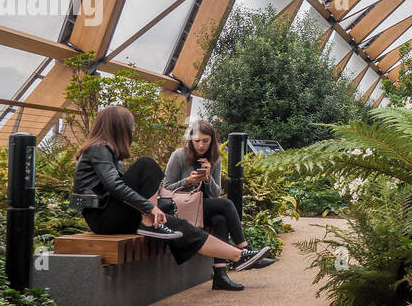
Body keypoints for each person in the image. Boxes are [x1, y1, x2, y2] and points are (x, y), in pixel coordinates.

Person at [71, 106, 269, 291]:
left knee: (179, 226)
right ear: (118, 127)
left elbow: (119, 189)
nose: (132, 130)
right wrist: (150, 207)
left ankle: (239, 255)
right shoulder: (98, 149)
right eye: (130, 125)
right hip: (102, 218)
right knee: (147, 164)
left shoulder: (111, 154)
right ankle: (150, 223)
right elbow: (115, 187)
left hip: (113, 215)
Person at [163, 120, 275, 279]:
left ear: (212, 141)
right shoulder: (179, 156)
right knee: (227, 203)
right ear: (190, 140)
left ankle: (220, 276)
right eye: (197, 141)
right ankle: (245, 250)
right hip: (181, 209)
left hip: (203, 208)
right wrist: (187, 182)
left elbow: (215, 194)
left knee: (220, 219)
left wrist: (208, 178)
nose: (201, 145)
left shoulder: (215, 159)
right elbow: (166, 187)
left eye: (205, 141)